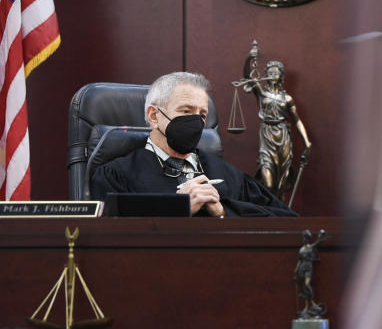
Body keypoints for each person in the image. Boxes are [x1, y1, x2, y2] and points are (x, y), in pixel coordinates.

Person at [90, 72, 296, 217]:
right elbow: (111, 237)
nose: (196, 122)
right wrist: (176, 208)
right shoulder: (116, 175)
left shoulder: (230, 177)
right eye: (186, 111)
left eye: (202, 115)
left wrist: (224, 212)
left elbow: (287, 221)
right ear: (154, 116)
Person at [242, 43, 312, 200]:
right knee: (268, 181)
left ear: (281, 76)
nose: (273, 74)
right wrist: (249, 58)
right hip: (267, 133)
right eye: (270, 72)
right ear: (266, 74)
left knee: (282, 181)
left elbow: (297, 121)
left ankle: (279, 216)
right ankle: (269, 215)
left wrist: (307, 141)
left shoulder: (287, 99)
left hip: (283, 135)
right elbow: (247, 76)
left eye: (276, 72)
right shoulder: (261, 92)